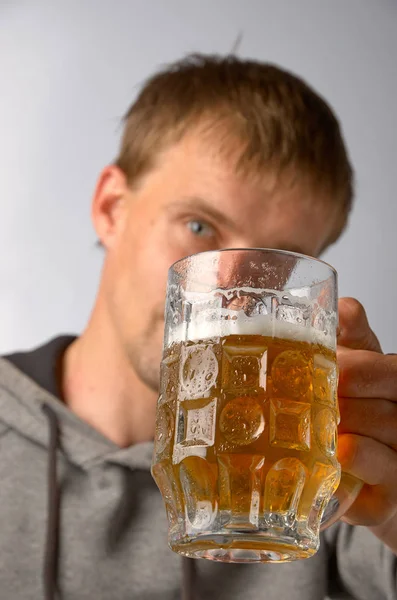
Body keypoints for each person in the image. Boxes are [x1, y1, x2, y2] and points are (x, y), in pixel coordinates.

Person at [0, 53, 396, 600]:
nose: (232, 294)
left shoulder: (326, 484)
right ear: (111, 207)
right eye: (199, 226)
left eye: (274, 264)